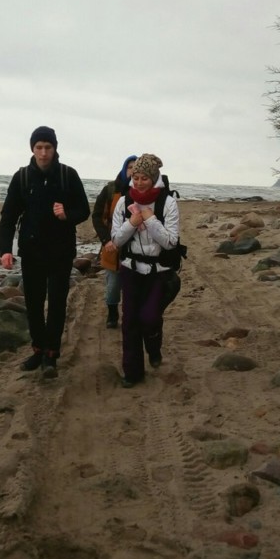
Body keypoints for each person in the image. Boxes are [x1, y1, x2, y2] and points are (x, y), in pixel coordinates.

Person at [0, 126, 90, 379]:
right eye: (38, 147)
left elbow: (84, 210)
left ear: (55, 148)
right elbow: (8, 216)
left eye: (48, 147)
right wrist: (5, 249)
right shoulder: (22, 177)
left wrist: (67, 215)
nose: (43, 153)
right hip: (32, 251)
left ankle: (51, 354)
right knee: (34, 304)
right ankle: (38, 350)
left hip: (61, 251)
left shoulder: (68, 175)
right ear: (32, 149)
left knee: (57, 303)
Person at [110, 153, 180, 388]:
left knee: (149, 318)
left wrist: (150, 220)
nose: (139, 182)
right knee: (130, 322)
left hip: (159, 271)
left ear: (154, 178)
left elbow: (171, 242)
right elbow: (116, 240)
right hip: (130, 269)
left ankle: (154, 347)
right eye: (136, 177)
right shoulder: (123, 202)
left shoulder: (167, 202)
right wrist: (132, 223)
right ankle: (132, 372)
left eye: (144, 178)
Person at [91, 155, 138, 328]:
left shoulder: (144, 191)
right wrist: (106, 240)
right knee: (112, 286)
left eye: (137, 167)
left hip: (137, 248)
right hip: (113, 247)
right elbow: (97, 216)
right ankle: (112, 314)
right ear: (125, 169)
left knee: (134, 287)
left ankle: (131, 316)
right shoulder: (111, 189)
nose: (133, 170)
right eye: (130, 167)